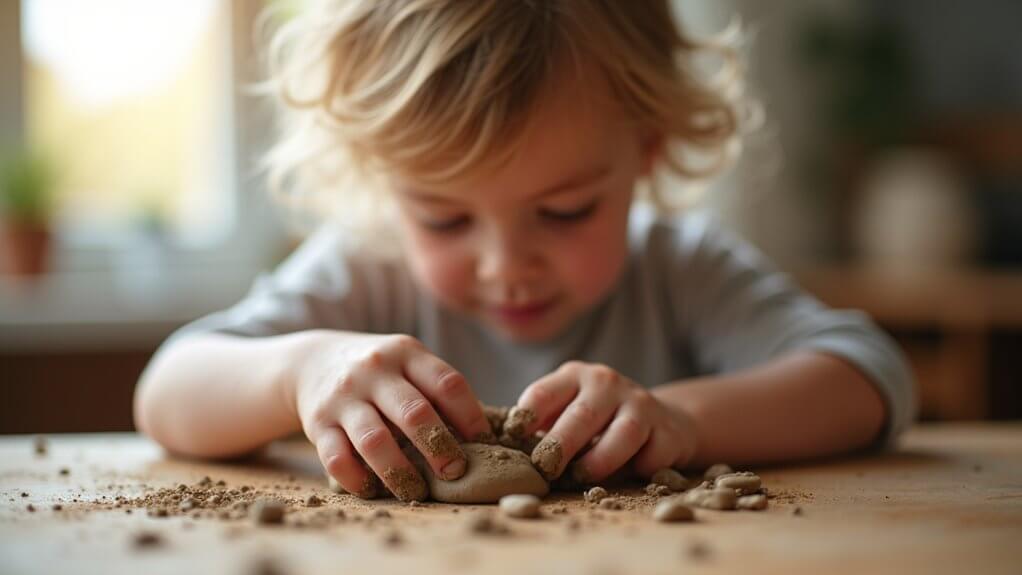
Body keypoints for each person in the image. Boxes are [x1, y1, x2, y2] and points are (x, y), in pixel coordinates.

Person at [134, 0, 915, 501]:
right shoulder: (365, 269)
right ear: (383, 177)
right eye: (444, 219)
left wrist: (685, 419)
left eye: (565, 211)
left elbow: (867, 376)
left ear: (647, 150)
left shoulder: (676, 269)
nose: (506, 265)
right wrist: (300, 371)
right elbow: (167, 389)